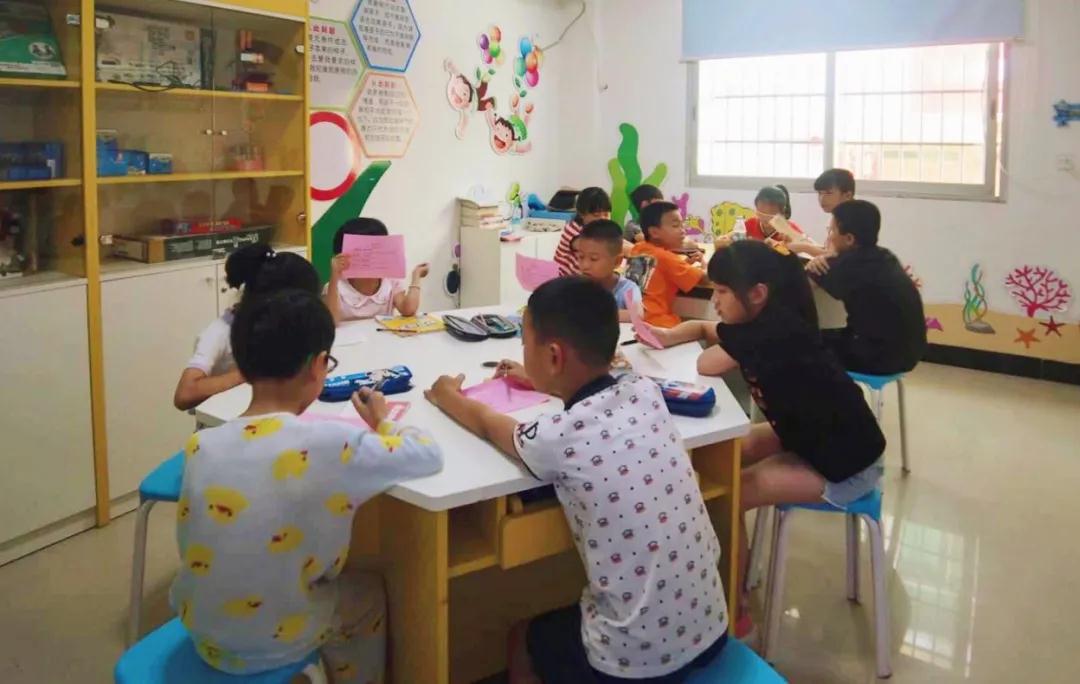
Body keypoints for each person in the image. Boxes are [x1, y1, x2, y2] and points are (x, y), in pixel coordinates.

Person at [425, 277, 729, 683]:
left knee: (522, 637)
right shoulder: (645, 392)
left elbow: (486, 423)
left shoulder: (556, 437)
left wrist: (447, 395)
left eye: (524, 342)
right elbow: (596, 390)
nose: (522, 351)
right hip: (712, 627)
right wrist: (540, 378)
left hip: (636, 662)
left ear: (553, 356)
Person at [172, 288, 442, 678]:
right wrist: (382, 421)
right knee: (367, 596)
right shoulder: (330, 444)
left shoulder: (201, 445)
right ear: (318, 366)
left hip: (203, 634)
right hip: (275, 643)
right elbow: (428, 454)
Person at [644, 241, 885, 637]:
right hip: (811, 437)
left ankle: (735, 607)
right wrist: (670, 335)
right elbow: (704, 328)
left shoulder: (769, 333)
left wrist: (701, 335)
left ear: (757, 293)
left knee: (731, 492)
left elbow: (707, 362)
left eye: (722, 291)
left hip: (848, 465)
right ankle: (708, 571)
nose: (715, 301)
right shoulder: (768, 321)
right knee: (721, 454)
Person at [173, 244, 321, 411]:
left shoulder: (275, 325)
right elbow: (184, 394)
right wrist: (250, 371)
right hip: (225, 420)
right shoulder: (219, 332)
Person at [806, 199, 927, 375]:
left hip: (876, 358)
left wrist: (812, 264)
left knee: (801, 344)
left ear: (849, 239)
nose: (830, 237)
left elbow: (795, 288)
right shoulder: (886, 256)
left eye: (832, 231)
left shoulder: (845, 266)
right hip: (910, 354)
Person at [325, 218, 429, 323]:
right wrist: (335, 275)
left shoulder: (390, 282)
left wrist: (416, 276)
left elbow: (408, 310)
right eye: (361, 249)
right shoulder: (336, 287)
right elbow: (331, 320)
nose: (370, 255)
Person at [627, 201, 709, 328]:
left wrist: (685, 263)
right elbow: (705, 279)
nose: (683, 231)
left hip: (631, 318)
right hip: (657, 323)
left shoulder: (638, 248)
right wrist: (704, 264)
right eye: (676, 226)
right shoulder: (666, 258)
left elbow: (655, 271)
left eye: (682, 225)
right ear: (654, 232)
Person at [571, 219, 641, 322]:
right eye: (581, 257)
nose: (585, 265)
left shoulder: (627, 289)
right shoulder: (576, 285)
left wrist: (594, 314)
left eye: (593, 259)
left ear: (617, 261)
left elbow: (637, 315)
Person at [789, 169, 856, 257]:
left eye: (829, 193)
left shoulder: (853, 219)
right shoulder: (837, 215)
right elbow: (830, 249)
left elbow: (835, 256)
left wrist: (805, 247)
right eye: (820, 193)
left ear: (847, 195)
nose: (822, 199)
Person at [553, 187, 613, 276]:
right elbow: (590, 246)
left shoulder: (599, 230)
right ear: (582, 214)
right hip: (564, 278)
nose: (602, 219)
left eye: (606, 214)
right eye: (596, 215)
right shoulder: (573, 229)